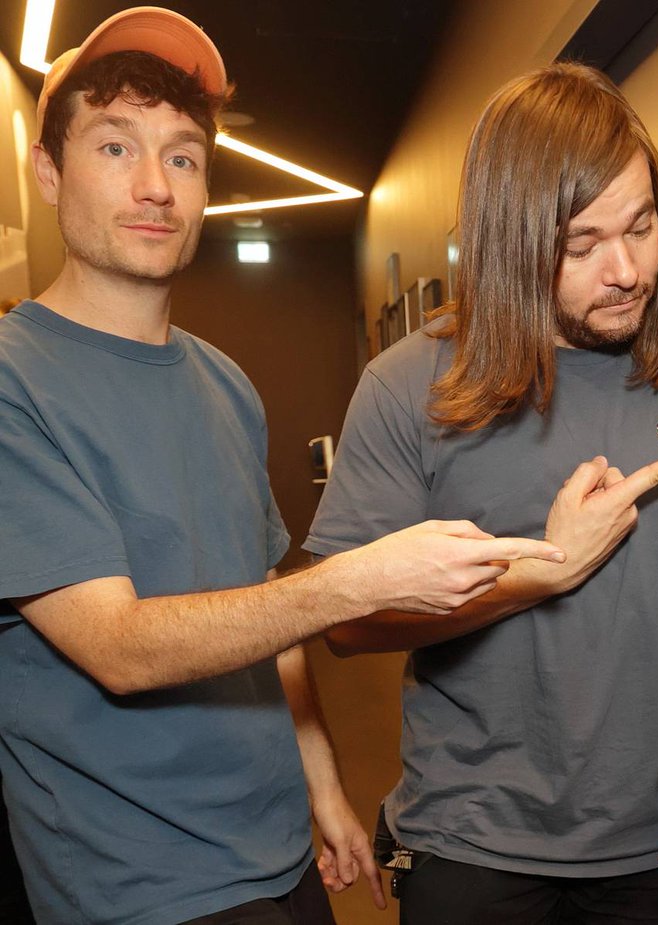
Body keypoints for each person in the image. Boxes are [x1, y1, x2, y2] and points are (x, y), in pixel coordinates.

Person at [0, 10, 562, 924]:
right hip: (136, 887)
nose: (154, 186)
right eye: (115, 147)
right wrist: (349, 583)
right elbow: (117, 647)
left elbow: (263, 599)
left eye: (182, 157)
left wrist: (324, 786)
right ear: (49, 169)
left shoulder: (223, 380)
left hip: (279, 855)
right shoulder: (13, 380)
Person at [304, 62, 658, 924]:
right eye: (583, 244)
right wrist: (544, 571)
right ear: (512, 241)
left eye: (642, 225)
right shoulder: (407, 386)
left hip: (657, 838)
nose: (628, 268)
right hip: (470, 838)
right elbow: (345, 622)